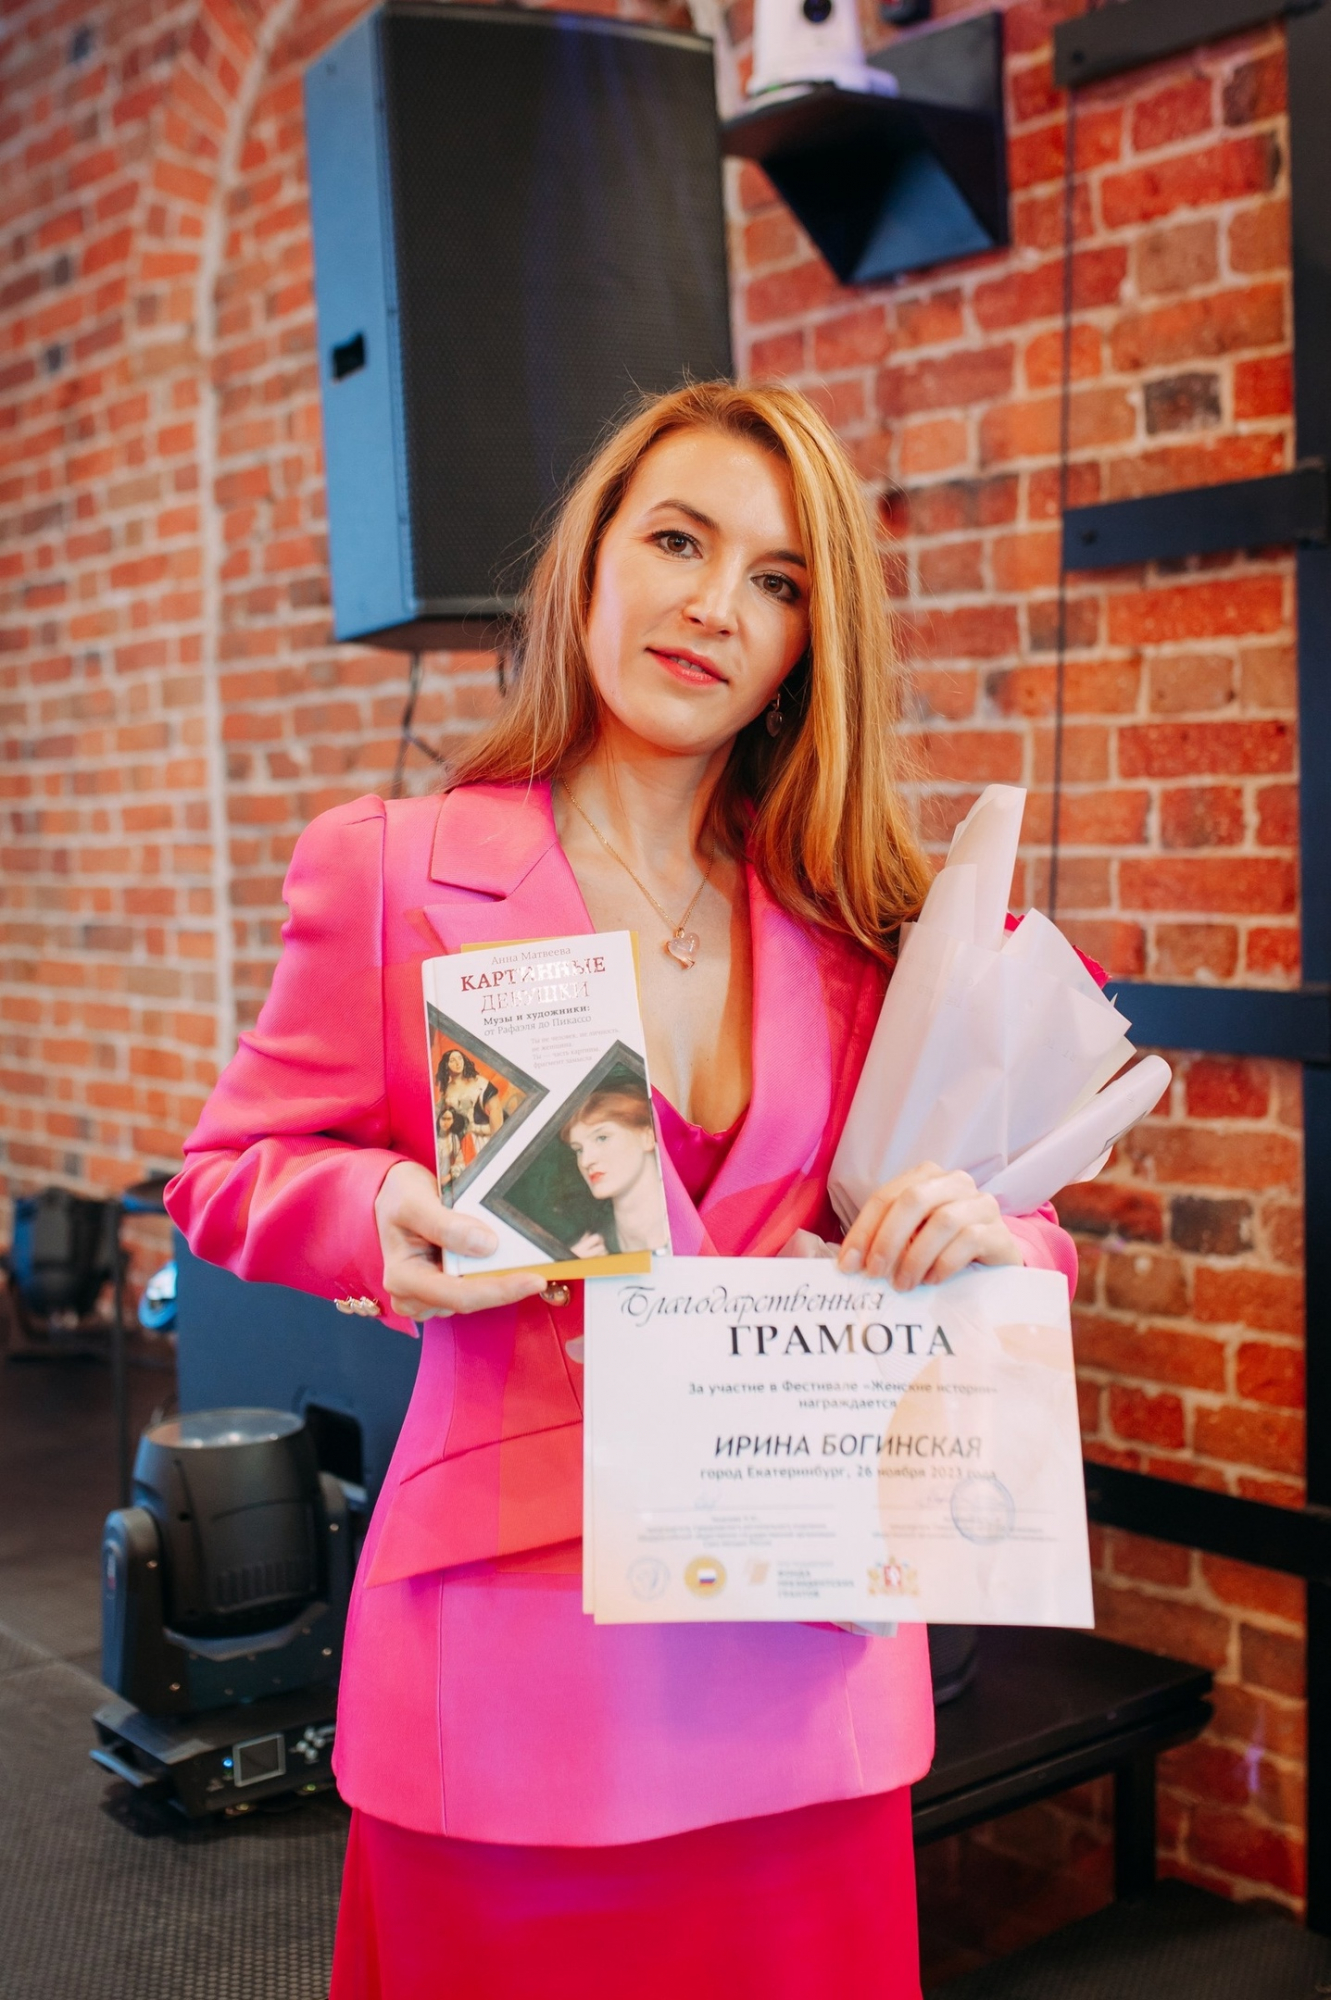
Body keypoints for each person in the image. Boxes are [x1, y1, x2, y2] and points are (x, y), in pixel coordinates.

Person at [165, 381, 1078, 2000]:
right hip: (516, 1665)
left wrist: (986, 1239)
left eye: (777, 580)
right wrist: (379, 1217)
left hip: (803, 1656)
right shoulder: (394, 868)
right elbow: (228, 1172)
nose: (715, 605)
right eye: (677, 540)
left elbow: (1025, 1223)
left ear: (807, 646)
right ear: (590, 562)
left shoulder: (865, 920)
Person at [562, 1084, 668, 1258]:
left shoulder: (692, 1217)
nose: (586, 1161)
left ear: (648, 1137)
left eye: (602, 1138)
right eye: (579, 1150)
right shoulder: (590, 1247)